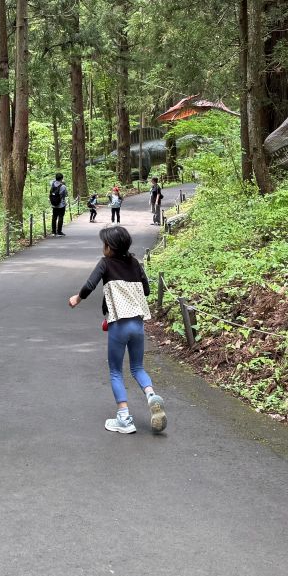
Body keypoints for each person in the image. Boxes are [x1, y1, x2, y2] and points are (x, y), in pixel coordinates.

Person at [68, 225, 166, 435]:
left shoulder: (106, 263)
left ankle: (124, 418)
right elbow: (146, 290)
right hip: (138, 325)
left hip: (119, 325)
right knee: (138, 368)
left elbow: (89, 285)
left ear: (110, 247)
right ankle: (151, 396)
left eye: (105, 244)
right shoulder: (135, 263)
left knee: (115, 371)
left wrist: (77, 299)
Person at [49, 172, 68, 236]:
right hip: (61, 204)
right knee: (60, 217)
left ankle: (53, 232)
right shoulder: (63, 186)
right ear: (62, 178)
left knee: (54, 217)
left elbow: (52, 181)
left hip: (53, 204)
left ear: (56, 178)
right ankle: (59, 232)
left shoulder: (52, 184)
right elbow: (65, 194)